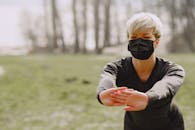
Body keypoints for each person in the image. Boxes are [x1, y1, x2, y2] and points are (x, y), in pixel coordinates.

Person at [96, 12, 185, 130]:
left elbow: (166, 87)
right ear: (128, 41)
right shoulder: (116, 67)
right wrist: (102, 93)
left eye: (146, 37)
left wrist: (147, 98)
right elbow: (106, 78)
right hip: (133, 125)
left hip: (170, 125)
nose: (139, 43)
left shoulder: (173, 70)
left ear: (157, 41)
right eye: (133, 37)